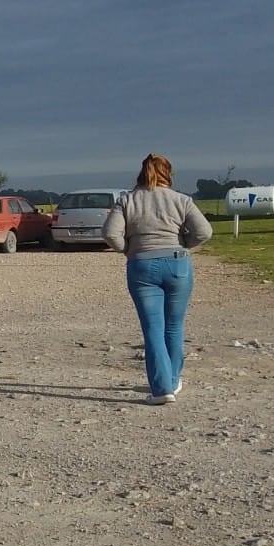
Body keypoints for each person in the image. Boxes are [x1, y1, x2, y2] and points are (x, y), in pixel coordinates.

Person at [102, 153, 214, 405]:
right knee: (174, 326)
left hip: (141, 265)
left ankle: (162, 388)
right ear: (168, 174)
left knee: (153, 328)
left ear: (140, 173)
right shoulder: (181, 200)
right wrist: (186, 242)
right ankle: (173, 380)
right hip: (178, 264)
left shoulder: (127, 200)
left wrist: (127, 248)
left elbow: (110, 233)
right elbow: (205, 231)